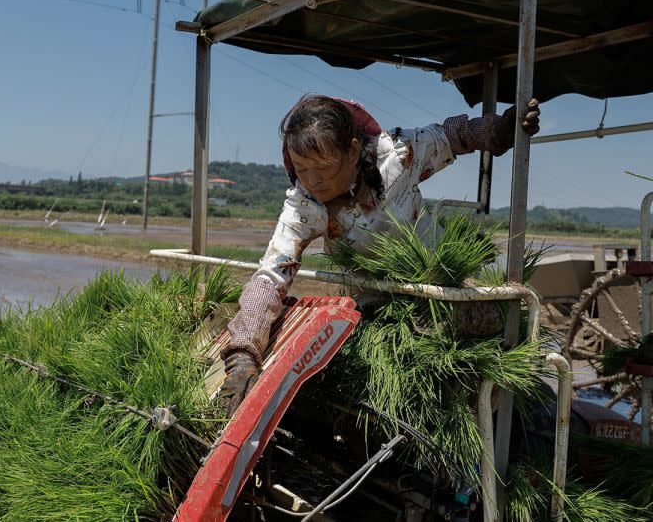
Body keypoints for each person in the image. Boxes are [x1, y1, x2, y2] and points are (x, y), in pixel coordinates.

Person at [217, 94, 541, 416]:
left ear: (354, 150)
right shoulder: (305, 206)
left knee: (499, 322)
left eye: (323, 168)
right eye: (301, 168)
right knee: (416, 361)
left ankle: (488, 416)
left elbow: (453, 135)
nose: (313, 181)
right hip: (378, 306)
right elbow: (271, 275)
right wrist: (243, 353)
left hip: (443, 282)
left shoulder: (398, 156)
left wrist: (499, 131)